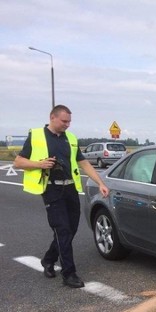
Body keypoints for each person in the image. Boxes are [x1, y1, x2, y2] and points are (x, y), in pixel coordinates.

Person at [13, 105, 109, 288]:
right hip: (51, 190)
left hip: (71, 189)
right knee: (62, 230)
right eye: (64, 121)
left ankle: (48, 259)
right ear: (52, 117)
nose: (68, 125)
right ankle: (69, 274)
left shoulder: (70, 138)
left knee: (70, 230)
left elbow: (84, 163)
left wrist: (101, 183)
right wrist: (39, 164)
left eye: (69, 121)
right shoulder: (36, 136)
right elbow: (18, 162)